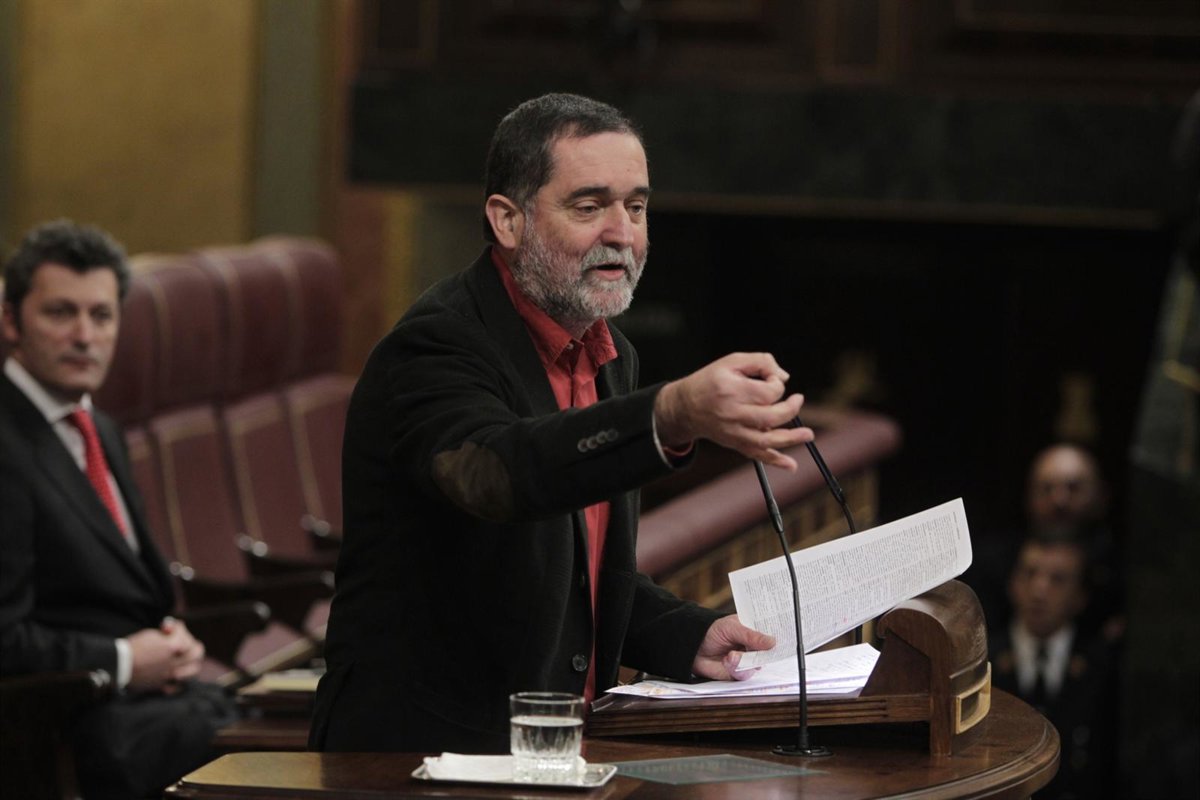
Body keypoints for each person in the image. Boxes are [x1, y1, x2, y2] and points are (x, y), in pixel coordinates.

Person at [309, 93, 814, 753]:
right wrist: (667, 414)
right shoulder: (434, 346)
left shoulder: (612, 355)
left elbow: (572, 568)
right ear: (507, 220)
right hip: (419, 761)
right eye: (589, 206)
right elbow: (498, 476)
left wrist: (683, 633)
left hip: (553, 752)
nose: (622, 233)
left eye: (636, 207)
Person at [0, 220, 237, 798]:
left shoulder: (98, 428)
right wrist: (126, 658)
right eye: (61, 313)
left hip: (144, 707)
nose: (84, 336)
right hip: (65, 726)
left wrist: (169, 641)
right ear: (10, 320)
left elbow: (116, 588)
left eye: (101, 316)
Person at [989, 534, 1120, 800]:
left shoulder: (1101, 667)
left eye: (1057, 580)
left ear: (1080, 596)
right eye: (1029, 574)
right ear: (1013, 583)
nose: (1039, 590)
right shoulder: (984, 660)